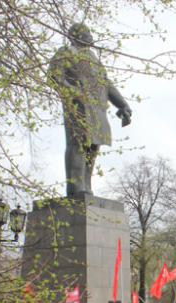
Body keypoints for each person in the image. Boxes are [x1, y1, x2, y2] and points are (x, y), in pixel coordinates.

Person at [48, 23, 133, 196]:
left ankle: (86, 186)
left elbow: (106, 84)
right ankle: (75, 188)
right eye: (85, 32)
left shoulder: (94, 58)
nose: (89, 35)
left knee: (93, 147)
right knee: (78, 144)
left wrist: (123, 105)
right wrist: (75, 93)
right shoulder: (66, 52)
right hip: (78, 107)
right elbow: (54, 77)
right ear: (75, 35)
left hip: (98, 109)